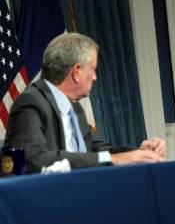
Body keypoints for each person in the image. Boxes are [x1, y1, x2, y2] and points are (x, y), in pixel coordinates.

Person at [4, 32, 166, 173]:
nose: (95, 77)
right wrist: (116, 159)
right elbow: (34, 160)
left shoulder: (74, 108)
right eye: (93, 69)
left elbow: (100, 150)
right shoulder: (31, 103)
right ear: (76, 72)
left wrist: (138, 151)